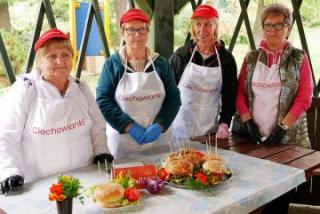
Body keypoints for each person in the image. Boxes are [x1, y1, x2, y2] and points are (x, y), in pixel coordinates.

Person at [0, 28, 113, 195]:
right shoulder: (25, 90)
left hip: (84, 179)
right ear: (40, 61)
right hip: (41, 185)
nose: (60, 61)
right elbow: (6, 135)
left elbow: (97, 124)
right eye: (52, 57)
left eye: (65, 55)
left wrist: (101, 150)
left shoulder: (81, 88)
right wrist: (9, 170)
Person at [96, 9, 181, 159]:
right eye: (131, 30)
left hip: (158, 139)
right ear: (122, 33)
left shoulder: (161, 64)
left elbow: (173, 98)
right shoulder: (112, 65)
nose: (137, 35)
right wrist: (129, 126)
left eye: (142, 29)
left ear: (148, 32)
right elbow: (104, 100)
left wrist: (160, 125)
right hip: (124, 141)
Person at [232, 3, 313, 148]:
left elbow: (305, 97)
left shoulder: (299, 58)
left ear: (288, 28)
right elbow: (239, 93)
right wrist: (247, 122)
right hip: (250, 138)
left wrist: (283, 128)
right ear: (263, 29)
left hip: (288, 141)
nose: (272, 30)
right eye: (268, 25)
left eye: (279, 25)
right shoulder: (251, 58)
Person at [169, 5, 237, 139]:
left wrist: (224, 123)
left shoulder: (226, 60)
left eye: (208, 24)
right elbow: (168, 91)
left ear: (216, 27)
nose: (202, 29)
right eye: (198, 24)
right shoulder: (181, 56)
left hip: (209, 132)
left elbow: (230, 96)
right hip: (179, 129)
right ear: (193, 27)